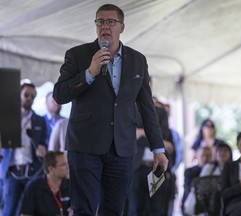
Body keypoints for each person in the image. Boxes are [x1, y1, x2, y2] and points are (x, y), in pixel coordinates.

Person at [52, 4, 168, 216]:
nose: (105, 26)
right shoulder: (77, 55)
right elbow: (59, 94)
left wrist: (158, 149)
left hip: (122, 149)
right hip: (85, 146)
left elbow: (146, 107)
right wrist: (89, 72)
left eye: (111, 22)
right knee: (83, 210)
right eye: (100, 22)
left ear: (122, 27)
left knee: (114, 211)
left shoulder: (138, 60)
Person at [1, 81, 47, 216]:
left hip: (33, 171)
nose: (29, 99)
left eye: (33, 96)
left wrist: (42, 148)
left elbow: (44, 142)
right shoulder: (8, 118)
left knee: (29, 210)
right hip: (12, 170)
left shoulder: (40, 120)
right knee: (9, 209)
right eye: (26, 95)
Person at [21, 151, 71, 216]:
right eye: (63, 165)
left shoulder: (70, 185)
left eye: (67, 164)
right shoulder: (33, 187)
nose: (67, 167)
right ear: (51, 169)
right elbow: (25, 214)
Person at [182, 146, 212, 215]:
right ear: (197, 156)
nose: (205, 158)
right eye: (203, 156)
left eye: (208, 156)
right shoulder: (189, 171)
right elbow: (188, 189)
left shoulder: (214, 170)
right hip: (191, 205)